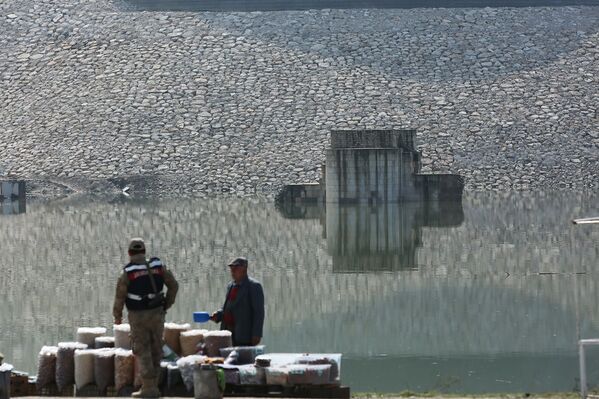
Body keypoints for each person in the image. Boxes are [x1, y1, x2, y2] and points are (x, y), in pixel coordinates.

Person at [113, 238, 179, 398]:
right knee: (156, 348)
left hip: (138, 316)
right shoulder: (157, 266)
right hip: (157, 313)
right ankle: (154, 386)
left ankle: (149, 388)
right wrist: (166, 305)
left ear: (129, 253)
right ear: (144, 252)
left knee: (142, 349)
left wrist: (117, 316)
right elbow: (174, 285)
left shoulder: (128, 272)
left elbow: (119, 297)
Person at [210, 257, 265, 346]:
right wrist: (218, 315)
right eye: (231, 269)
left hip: (244, 335)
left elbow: (259, 313)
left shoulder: (254, 286)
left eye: (236, 269)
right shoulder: (230, 286)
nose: (233, 271)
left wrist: (257, 334)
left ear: (244, 269)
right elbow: (228, 307)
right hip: (228, 333)